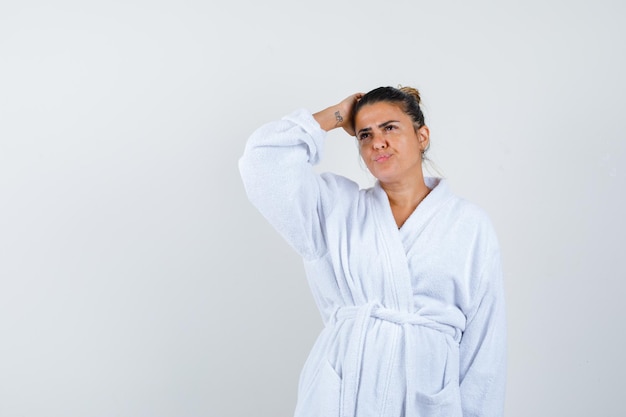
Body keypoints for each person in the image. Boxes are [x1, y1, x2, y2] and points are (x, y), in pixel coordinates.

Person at [239, 86, 506, 417]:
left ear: (422, 136)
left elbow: (484, 351)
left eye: (390, 128)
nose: (377, 142)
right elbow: (262, 161)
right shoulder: (336, 207)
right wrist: (336, 115)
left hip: (426, 398)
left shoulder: (468, 225)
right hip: (340, 394)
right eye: (365, 134)